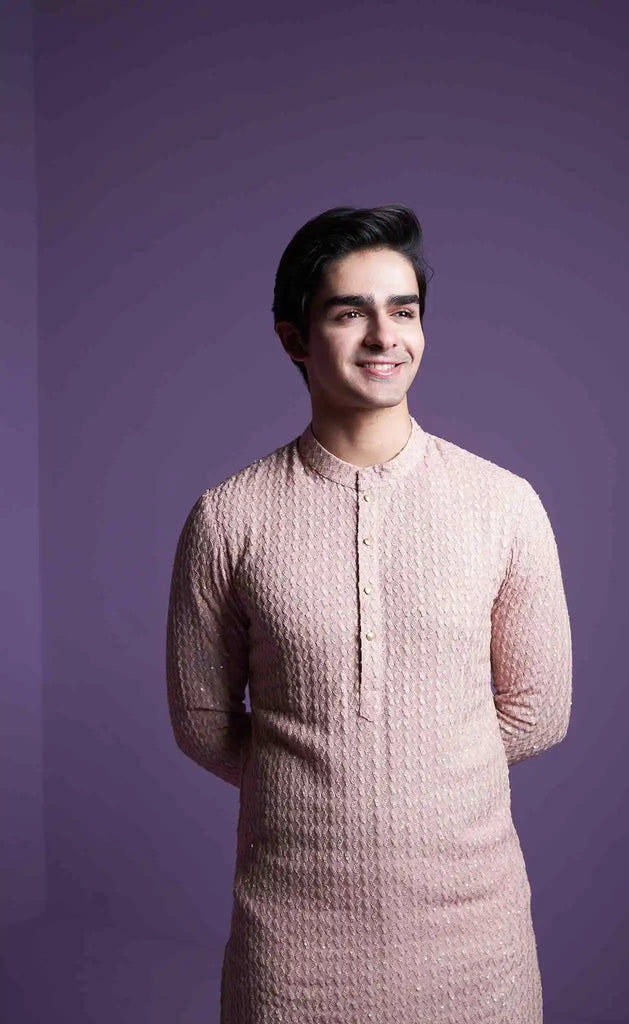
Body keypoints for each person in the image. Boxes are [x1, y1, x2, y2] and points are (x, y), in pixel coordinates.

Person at [165, 204, 573, 1024]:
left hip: (475, 938)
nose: (384, 337)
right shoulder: (229, 517)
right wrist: (320, 784)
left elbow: (539, 712)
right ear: (294, 337)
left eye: (404, 311)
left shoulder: (503, 505)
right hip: (290, 943)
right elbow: (204, 723)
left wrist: (423, 775)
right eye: (350, 313)